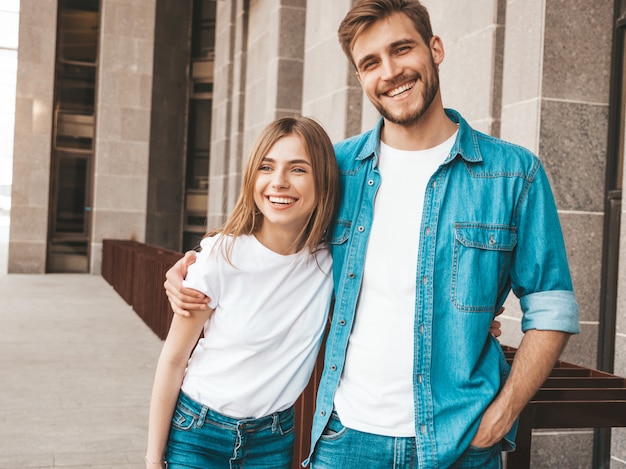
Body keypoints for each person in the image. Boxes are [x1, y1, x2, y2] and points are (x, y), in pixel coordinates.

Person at [164, 1, 580, 467]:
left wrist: (504, 414)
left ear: (435, 48)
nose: (390, 72)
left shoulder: (512, 175)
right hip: (345, 441)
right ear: (360, 78)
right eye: (370, 63)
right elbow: (263, 231)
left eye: (402, 49)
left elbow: (552, 305)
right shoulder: (334, 170)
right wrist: (192, 266)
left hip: (460, 443)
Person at [145, 116, 339, 469]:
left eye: (298, 169)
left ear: (323, 182)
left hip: (273, 439)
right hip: (198, 431)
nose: (278, 182)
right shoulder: (220, 256)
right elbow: (173, 361)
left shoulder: (331, 262)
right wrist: (152, 458)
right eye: (267, 166)